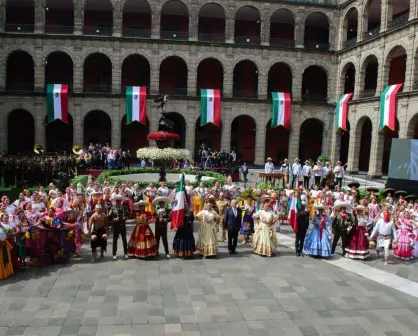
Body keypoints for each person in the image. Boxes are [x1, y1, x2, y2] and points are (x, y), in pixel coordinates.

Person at [109, 195, 129, 260]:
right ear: (115, 201)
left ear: (121, 201)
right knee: (115, 240)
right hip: (116, 226)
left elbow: (127, 216)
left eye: (119, 201)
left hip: (123, 225)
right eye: (117, 201)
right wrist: (114, 219)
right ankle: (114, 253)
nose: (118, 202)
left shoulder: (124, 208)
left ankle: (126, 253)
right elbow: (109, 217)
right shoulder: (112, 208)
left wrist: (125, 218)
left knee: (124, 240)